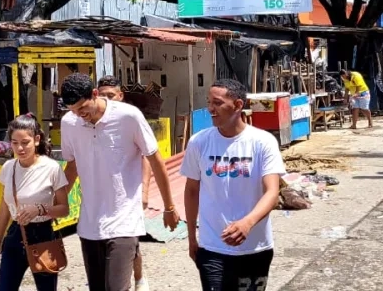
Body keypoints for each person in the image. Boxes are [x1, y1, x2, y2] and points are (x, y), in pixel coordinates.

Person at [60, 73, 179, 291]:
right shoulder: (69, 123)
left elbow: (154, 159)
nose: (80, 115)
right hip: (89, 225)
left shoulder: (128, 116)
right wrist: (55, 205)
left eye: (83, 108)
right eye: (73, 111)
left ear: (94, 94)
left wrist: (169, 207)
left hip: (124, 221)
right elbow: (72, 168)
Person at [181, 79, 285, 291]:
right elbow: (191, 191)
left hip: (255, 248)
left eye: (217, 103)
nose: (211, 108)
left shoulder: (262, 142)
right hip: (212, 247)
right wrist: (192, 237)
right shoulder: (199, 142)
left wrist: (247, 223)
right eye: (209, 102)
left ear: (238, 105)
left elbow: (272, 192)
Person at [0, 114, 69, 291]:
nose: (20, 148)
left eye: (25, 142)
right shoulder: (9, 167)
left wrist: (40, 209)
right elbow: (5, 208)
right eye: (15, 143)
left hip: (43, 235)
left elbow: (64, 209)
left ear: (36, 139)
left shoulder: (51, 167)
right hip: (15, 234)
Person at [96, 75, 151, 291]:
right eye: (102, 96)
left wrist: (145, 191)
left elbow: (148, 155)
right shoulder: (93, 122)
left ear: (121, 95)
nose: (107, 100)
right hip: (102, 197)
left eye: (111, 96)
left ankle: (138, 278)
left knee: (129, 241)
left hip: (129, 194)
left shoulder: (131, 118)